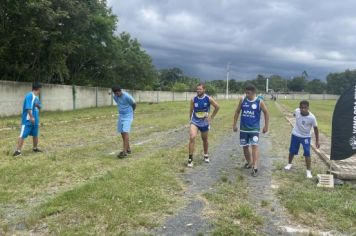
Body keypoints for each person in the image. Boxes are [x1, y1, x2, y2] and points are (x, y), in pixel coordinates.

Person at [233, 84, 269, 177]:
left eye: (248, 93)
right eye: (245, 92)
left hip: (254, 129)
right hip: (243, 129)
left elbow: (266, 112)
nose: (246, 94)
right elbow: (237, 111)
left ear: (253, 93)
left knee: (254, 146)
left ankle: (255, 167)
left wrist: (266, 126)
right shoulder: (242, 100)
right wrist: (234, 124)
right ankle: (249, 162)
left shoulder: (259, 101)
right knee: (245, 146)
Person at [284, 100, 320, 178]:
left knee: (307, 153)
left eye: (305, 108)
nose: (303, 109)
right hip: (295, 134)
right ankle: (289, 164)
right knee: (292, 150)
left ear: (308, 108)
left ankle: (308, 171)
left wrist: (317, 140)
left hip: (306, 137)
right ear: (299, 107)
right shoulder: (297, 111)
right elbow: (294, 114)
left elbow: (316, 129)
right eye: (301, 107)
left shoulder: (312, 117)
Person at [188, 83, 220, 167]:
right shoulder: (193, 99)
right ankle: (190, 159)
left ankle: (206, 154)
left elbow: (217, 107)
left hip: (204, 122)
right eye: (197, 89)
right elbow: (191, 110)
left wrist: (211, 117)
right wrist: (190, 120)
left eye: (200, 89)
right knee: (192, 137)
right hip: (194, 121)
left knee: (204, 140)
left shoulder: (208, 98)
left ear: (204, 90)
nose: (198, 90)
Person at [13, 82, 42, 157]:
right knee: (23, 135)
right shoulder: (29, 95)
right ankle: (18, 151)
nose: (40, 91)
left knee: (35, 134)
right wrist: (31, 117)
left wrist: (37, 105)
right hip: (28, 120)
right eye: (40, 89)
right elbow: (28, 108)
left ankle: (35, 148)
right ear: (38, 89)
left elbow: (39, 107)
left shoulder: (37, 98)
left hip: (35, 120)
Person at [112, 85, 136, 158]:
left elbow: (134, 104)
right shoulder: (115, 97)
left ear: (120, 91)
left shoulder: (127, 96)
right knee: (122, 132)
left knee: (125, 132)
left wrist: (131, 112)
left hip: (128, 116)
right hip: (121, 115)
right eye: (115, 93)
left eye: (117, 93)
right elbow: (119, 104)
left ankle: (124, 152)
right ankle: (128, 148)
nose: (117, 95)